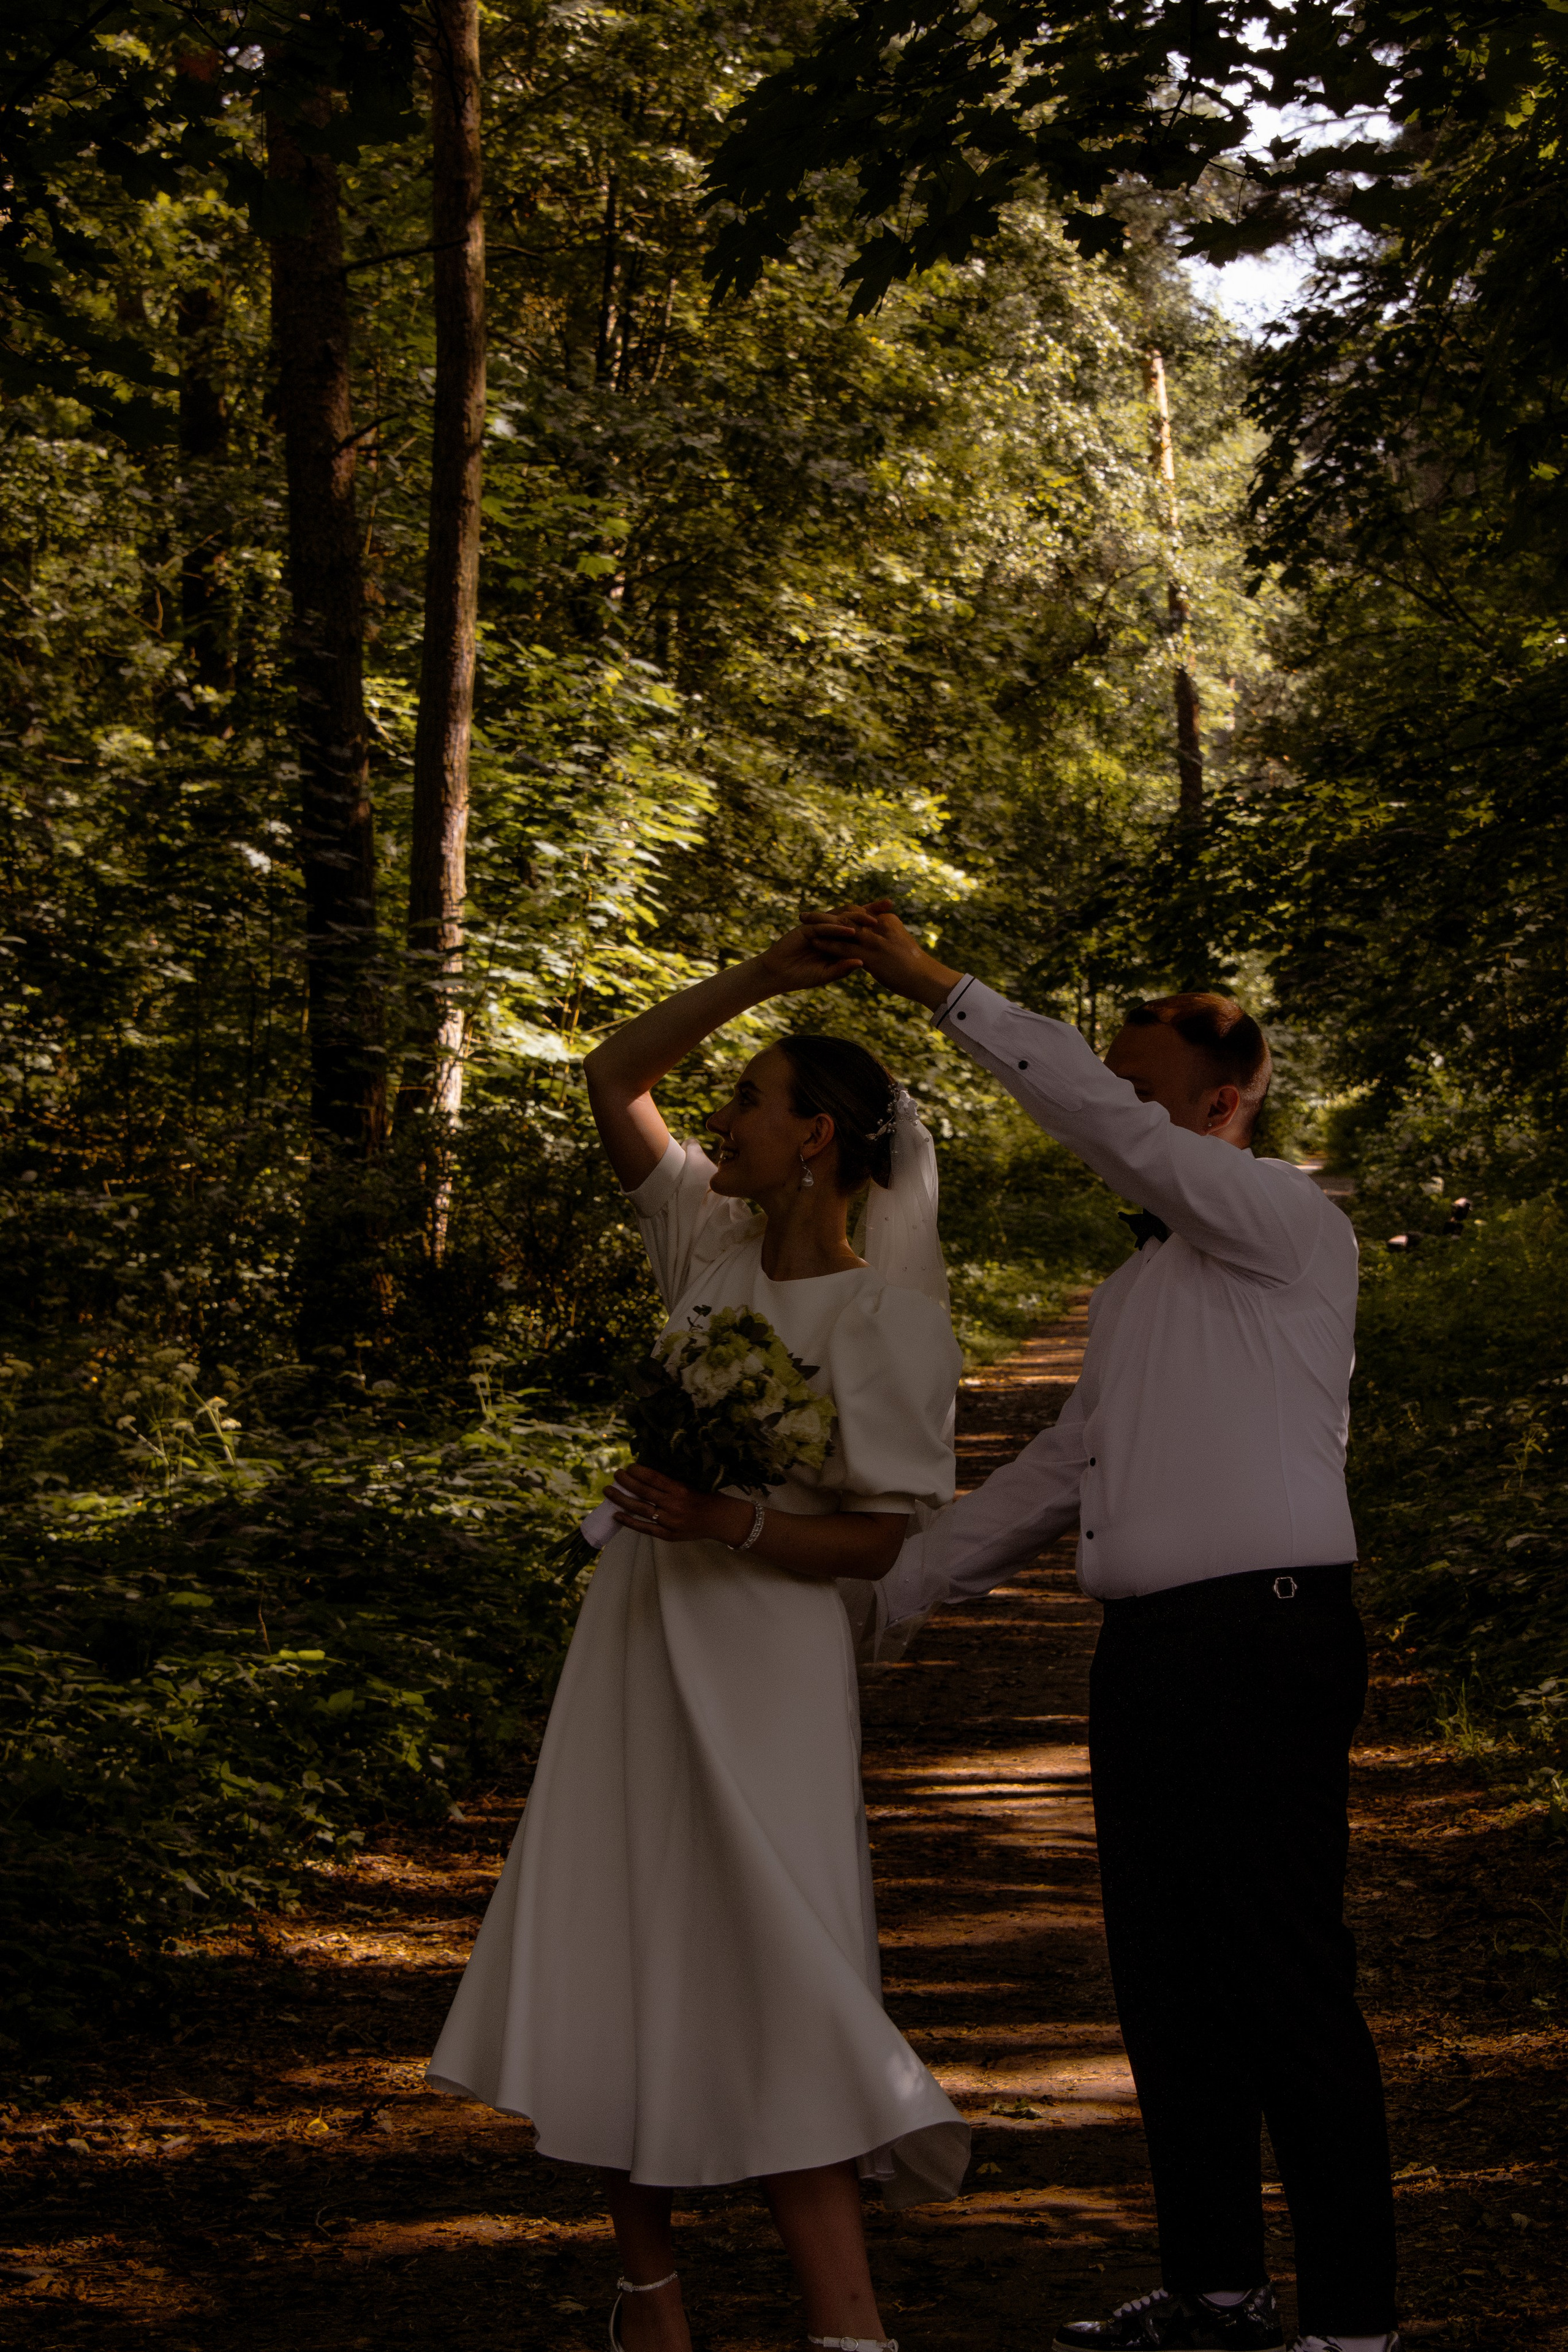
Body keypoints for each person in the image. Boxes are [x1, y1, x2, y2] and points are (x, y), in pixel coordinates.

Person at [804, 902, 1399, 2352]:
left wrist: (944, 990)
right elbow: (1065, 1470)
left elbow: (1111, 1132)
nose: (1117, 1122)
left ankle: (1358, 2319)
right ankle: (1215, 2287)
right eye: (1114, 1089)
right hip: (1149, 1659)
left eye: (1140, 1095)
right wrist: (892, 1585)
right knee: (1165, 1975)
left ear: (1226, 1098)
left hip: (1264, 1643)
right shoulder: (1135, 1291)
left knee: (1280, 1972)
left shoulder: (1288, 1226)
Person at [426, 921, 970, 2352]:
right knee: (628, 1928)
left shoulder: (889, 1319)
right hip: (638, 1635)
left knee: (782, 1952)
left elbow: (879, 1538)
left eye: (751, 1095)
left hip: (772, 1657)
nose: (720, 1116)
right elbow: (612, 1078)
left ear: (819, 1139)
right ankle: (648, 2294)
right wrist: (758, 984)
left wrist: (727, 1520)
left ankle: (845, 2324)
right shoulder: (703, 1239)